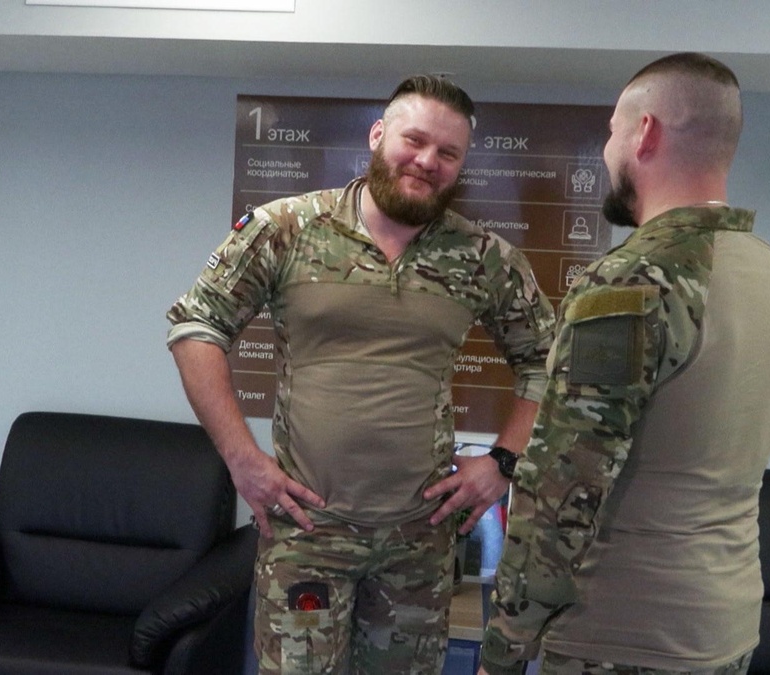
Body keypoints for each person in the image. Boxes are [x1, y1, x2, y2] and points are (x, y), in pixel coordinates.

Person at [167, 74, 555, 674]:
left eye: (448, 152)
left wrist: (503, 462)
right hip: (307, 532)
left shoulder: (483, 257)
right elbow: (197, 327)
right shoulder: (288, 227)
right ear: (378, 135)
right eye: (414, 140)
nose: (427, 161)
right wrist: (242, 460)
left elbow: (547, 362)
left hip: (419, 541)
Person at [478, 52, 770, 675]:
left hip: (622, 636)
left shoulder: (634, 279)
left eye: (612, 132)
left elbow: (562, 487)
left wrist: (504, 647)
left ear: (645, 132)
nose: (607, 152)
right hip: (726, 625)